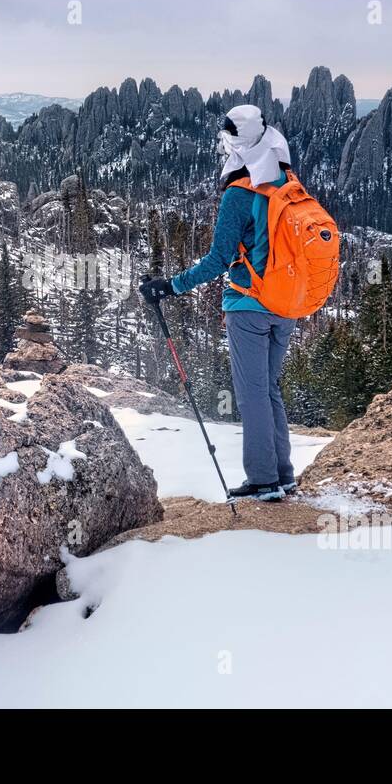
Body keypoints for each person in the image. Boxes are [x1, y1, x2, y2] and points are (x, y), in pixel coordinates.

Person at [139, 104, 298, 501]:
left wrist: (171, 286)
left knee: (251, 394)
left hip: (249, 307)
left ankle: (264, 482)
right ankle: (283, 473)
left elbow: (218, 259)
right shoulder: (284, 178)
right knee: (270, 388)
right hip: (287, 305)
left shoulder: (238, 194)